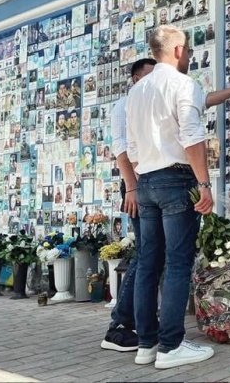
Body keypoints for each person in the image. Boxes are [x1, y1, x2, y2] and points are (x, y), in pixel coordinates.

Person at [126, 26, 230, 369]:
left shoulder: (138, 92)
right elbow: (192, 138)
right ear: (179, 50)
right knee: (179, 263)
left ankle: (146, 344)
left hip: (147, 180)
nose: (192, 58)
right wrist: (204, 184)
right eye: (191, 52)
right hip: (176, 179)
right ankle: (171, 346)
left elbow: (133, 150)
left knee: (148, 263)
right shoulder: (183, 84)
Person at [100, 58, 156, 353]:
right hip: (136, 186)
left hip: (148, 185)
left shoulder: (150, 106)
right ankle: (119, 325)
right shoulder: (124, 106)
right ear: (135, 79)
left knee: (149, 253)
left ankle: (136, 320)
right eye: (149, 76)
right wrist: (131, 188)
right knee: (145, 253)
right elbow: (122, 151)